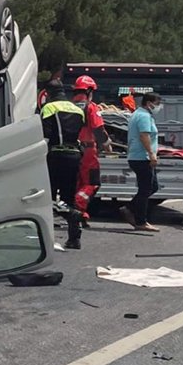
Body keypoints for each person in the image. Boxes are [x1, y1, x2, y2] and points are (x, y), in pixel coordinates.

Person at [39, 85, 86, 249]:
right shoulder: (77, 109)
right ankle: (74, 238)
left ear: (48, 93)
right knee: (68, 196)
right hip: (74, 155)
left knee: (47, 197)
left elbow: (44, 136)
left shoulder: (49, 107)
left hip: (55, 155)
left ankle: (45, 237)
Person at [70, 76, 113, 229]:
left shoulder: (69, 106)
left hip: (72, 150)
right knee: (92, 183)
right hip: (88, 150)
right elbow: (99, 129)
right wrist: (107, 144)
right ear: (88, 91)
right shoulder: (91, 107)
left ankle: (80, 214)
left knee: (78, 183)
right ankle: (77, 206)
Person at [124, 92, 162, 232]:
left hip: (138, 156)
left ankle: (129, 208)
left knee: (152, 187)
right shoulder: (143, 116)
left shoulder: (139, 114)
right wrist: (151, 154)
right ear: (148, 103)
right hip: (142, 157)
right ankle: (141, 220)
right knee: (146, 189)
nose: (158, 107)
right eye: (157, 104)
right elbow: (144, 135)